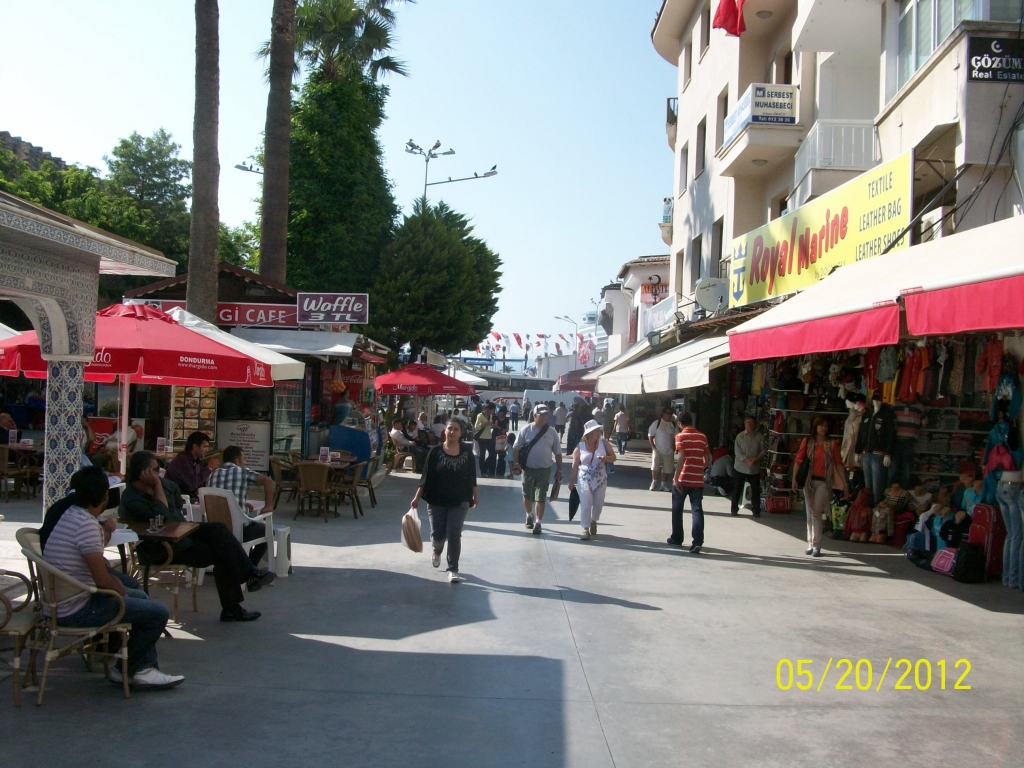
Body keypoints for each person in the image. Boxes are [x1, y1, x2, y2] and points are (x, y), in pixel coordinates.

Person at [44, 466, 183, 689]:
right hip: (76, 609)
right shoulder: (86, 525)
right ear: (105, 496)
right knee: (157, 611)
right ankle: (135, 669)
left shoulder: (70, 515)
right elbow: (102, 579)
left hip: (64, 602)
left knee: (140, 597)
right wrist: (123, 593)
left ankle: (138, 668)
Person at [120, 451, 275, 622]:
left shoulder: (163, 486)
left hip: (183, 534)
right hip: (165, 547)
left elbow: (177, 503)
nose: (159, 473)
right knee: (223, 554)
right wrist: (157, 486)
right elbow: (163, 517)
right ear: (144, 473)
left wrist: (159, 486)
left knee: (218, 529)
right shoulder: (132, 498)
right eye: (156, 470)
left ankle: (250, 574)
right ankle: (234, 605)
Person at [410, 419, 479, 583]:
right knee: (438, 534)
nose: (452, 432)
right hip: (436, 499)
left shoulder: (467, 452)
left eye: (456, 429)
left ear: (461, 433)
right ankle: (437, 549)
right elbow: (425, 477)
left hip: (460, 499)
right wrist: (417, 497)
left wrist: (475, 495)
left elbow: (471, 476)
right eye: (450, 429)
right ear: (445, 431)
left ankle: (453, 568)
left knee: (454, 533)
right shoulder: (435, 452)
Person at [207, 446, 274, 567]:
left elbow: (221, 497)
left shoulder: (213, 474)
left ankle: (236, 566)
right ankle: (249, 568)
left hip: (216, 530)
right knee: (267, 531)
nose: (245, 462)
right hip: (239, 530)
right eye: (244, 459)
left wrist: (241, 504)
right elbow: (268, 481)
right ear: (237, 461)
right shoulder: (243, 472)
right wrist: (268, 506)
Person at [792, 416, 849, 557]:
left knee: (816, 512)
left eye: (825, 426)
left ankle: (816, 545)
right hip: (808, 482)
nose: (823, 428)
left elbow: (838, 464)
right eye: (821, 425)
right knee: (810, 513)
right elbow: (798, 461)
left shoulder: (832, 444)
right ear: (815, 426)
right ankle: (810, 543)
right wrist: (794, 478)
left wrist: (845, 483)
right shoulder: (808, 442)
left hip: (824, 482)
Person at [512, 405, 563, 535]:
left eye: (546, 415)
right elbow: (516, 448)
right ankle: (529, 515)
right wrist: (517, 464)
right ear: (534, 416)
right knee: (527, 496)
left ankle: (538, 523)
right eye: (541, 415)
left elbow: (558, 453)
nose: (544, 417)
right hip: (528, 470)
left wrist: (559, 470)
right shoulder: (526, 430)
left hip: (544, 470)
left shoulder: (552, 432)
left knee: (541, 497)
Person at [668, 413, 710, 553]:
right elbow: (707, 459)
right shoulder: (702, 437)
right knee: (697, 510)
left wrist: (676, 477)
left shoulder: (680, 436)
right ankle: (697, 541)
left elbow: (681, 457)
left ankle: (677, 539)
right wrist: (699, 468)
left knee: (677, 509)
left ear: (680, 423)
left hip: (683, 478)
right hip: (697, 480)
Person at [568, 419, 616, 540]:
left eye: (598, 431)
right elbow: (574, 466)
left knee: (598, 504)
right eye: (595, 431)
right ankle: (585, 529)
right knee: (586, 503)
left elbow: (614, 457)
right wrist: (571, 482)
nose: (598, 433)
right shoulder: (580, 447)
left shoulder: (604, 443)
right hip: (584, 479)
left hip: (601, 480)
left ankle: (594, 520)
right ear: (588, 434)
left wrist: (607, 458)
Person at [164, 431, 220, 500]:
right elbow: (191, 484)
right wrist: (209, 468)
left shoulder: (196, 461)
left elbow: (199, 483)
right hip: (177, 499)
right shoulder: (182, 460)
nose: (207, 450)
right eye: (205, 446)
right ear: (195, 446)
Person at [732, 416, 764, 517]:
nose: (749, 425)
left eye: (751, 423)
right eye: (747, 423)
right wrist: (747, 460)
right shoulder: (740, 436)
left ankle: (756, 510)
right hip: (740, 467)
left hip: (754, 467)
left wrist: (756, 459)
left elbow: (763, 450)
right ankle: (734, 509)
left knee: (755, 489)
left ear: (755, 424)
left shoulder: (760, 437)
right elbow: (737, 451)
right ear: (745, 424)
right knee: (737, 488)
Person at [648, 407, 677, 491]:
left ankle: (663, 485)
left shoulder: (673, 424)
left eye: (671, 414)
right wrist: (653, 447)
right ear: (663, 413)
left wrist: (675, 447)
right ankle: (654, 483)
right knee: (655, 467)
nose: (669, 415)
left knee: (667, 468)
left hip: (669, 450)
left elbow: (676, 437)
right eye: (668, 413)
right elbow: (650, 435)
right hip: (658, 448)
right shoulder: (657, 423)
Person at [474, 403, 497, 477]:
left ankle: (485, 467)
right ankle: (482, 471)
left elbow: (489, 427)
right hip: (482, 437)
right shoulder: (480, 415)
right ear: (488, 409)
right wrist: (485, 424)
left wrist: (493, 426)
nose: (493, 412)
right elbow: (476, 427)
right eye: (493, 410)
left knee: (492, 453)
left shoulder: (490, 415)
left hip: (489, 436)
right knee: (482, 454)